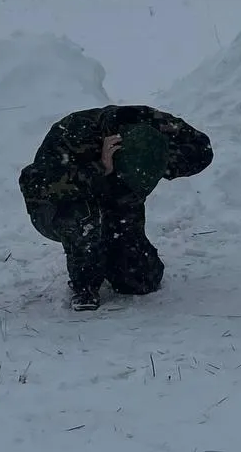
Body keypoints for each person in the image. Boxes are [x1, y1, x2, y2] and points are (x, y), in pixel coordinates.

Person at [18, 105, 214, 311]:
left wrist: (162, 160)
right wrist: (101, 167)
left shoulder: (148, 121)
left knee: (140, 280)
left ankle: (109, 252)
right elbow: (36, 185)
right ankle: (84, 283)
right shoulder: (75, 132)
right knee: (83, 217)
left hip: (112, 198)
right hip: (58, 209)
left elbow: (203, 150)